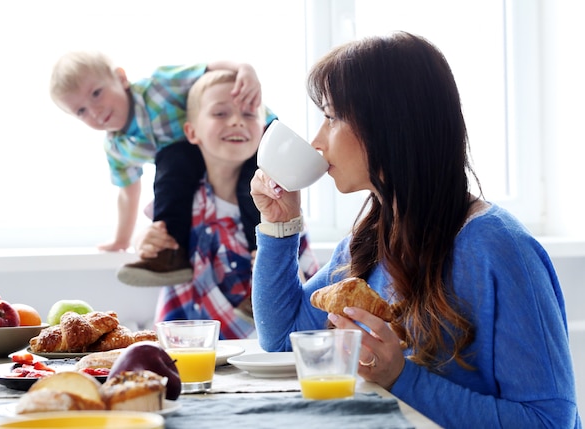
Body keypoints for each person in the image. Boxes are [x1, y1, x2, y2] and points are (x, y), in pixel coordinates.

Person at [249, 32, 581, 428]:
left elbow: (550, 421)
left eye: (331, 117)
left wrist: (400, 378)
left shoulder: (498, 249)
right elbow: (284, 339)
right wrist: (280, 223)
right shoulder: (372, 238)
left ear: (388, 125)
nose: (317, 141)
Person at [49, 51, 276, 287]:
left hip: (253, 136)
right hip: (198, 154)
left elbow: (209, 68)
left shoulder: (159, 88)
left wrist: (244, 69)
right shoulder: (117, 147)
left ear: (121, 78)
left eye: (96, 94)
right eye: (81, 111)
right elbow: (129, 191)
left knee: (248, 191)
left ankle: (266, 269)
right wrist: (121, 239)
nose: (94, 111)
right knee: (170, 174)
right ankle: (171, 252)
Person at [134, 70, 318, 339]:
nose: (236, 121)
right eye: (220, 113)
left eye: (249, 114)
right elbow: (153, 233)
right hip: (184, 346)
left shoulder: (277, 201)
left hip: (258, 347)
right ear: (191, 131)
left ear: (263, 130)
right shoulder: (180, 199)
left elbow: (304, 278)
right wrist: (144, 241)